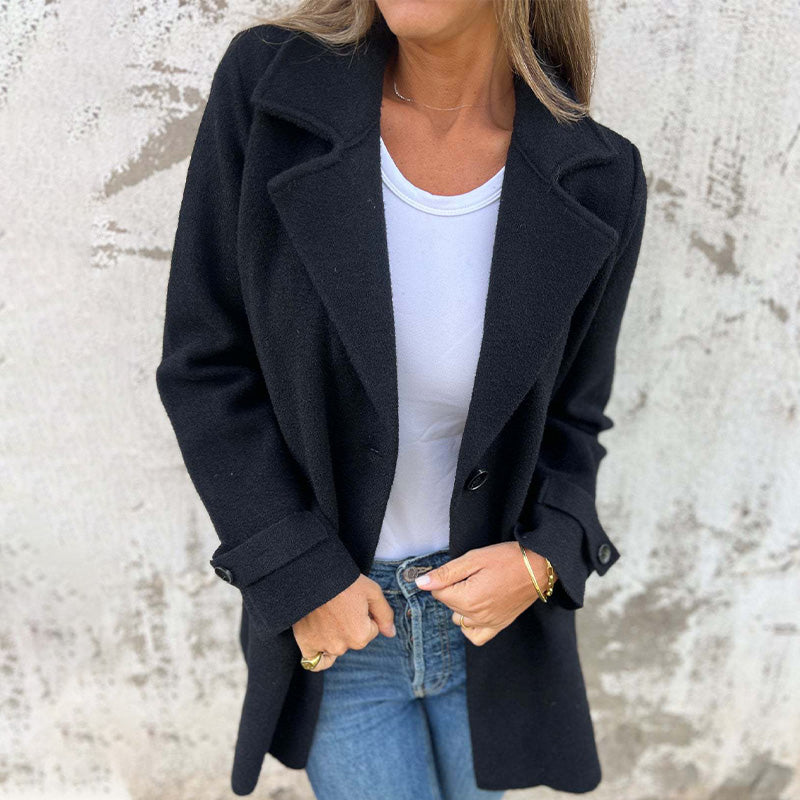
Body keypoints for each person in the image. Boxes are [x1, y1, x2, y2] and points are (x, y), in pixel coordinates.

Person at [155, 1, 648, 798]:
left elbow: (574, 418)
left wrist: (543, 561)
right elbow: (206, 364)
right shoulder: (272, 87)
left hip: (488, 630)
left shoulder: (600, 175)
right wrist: (299, 572)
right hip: (345, 625)